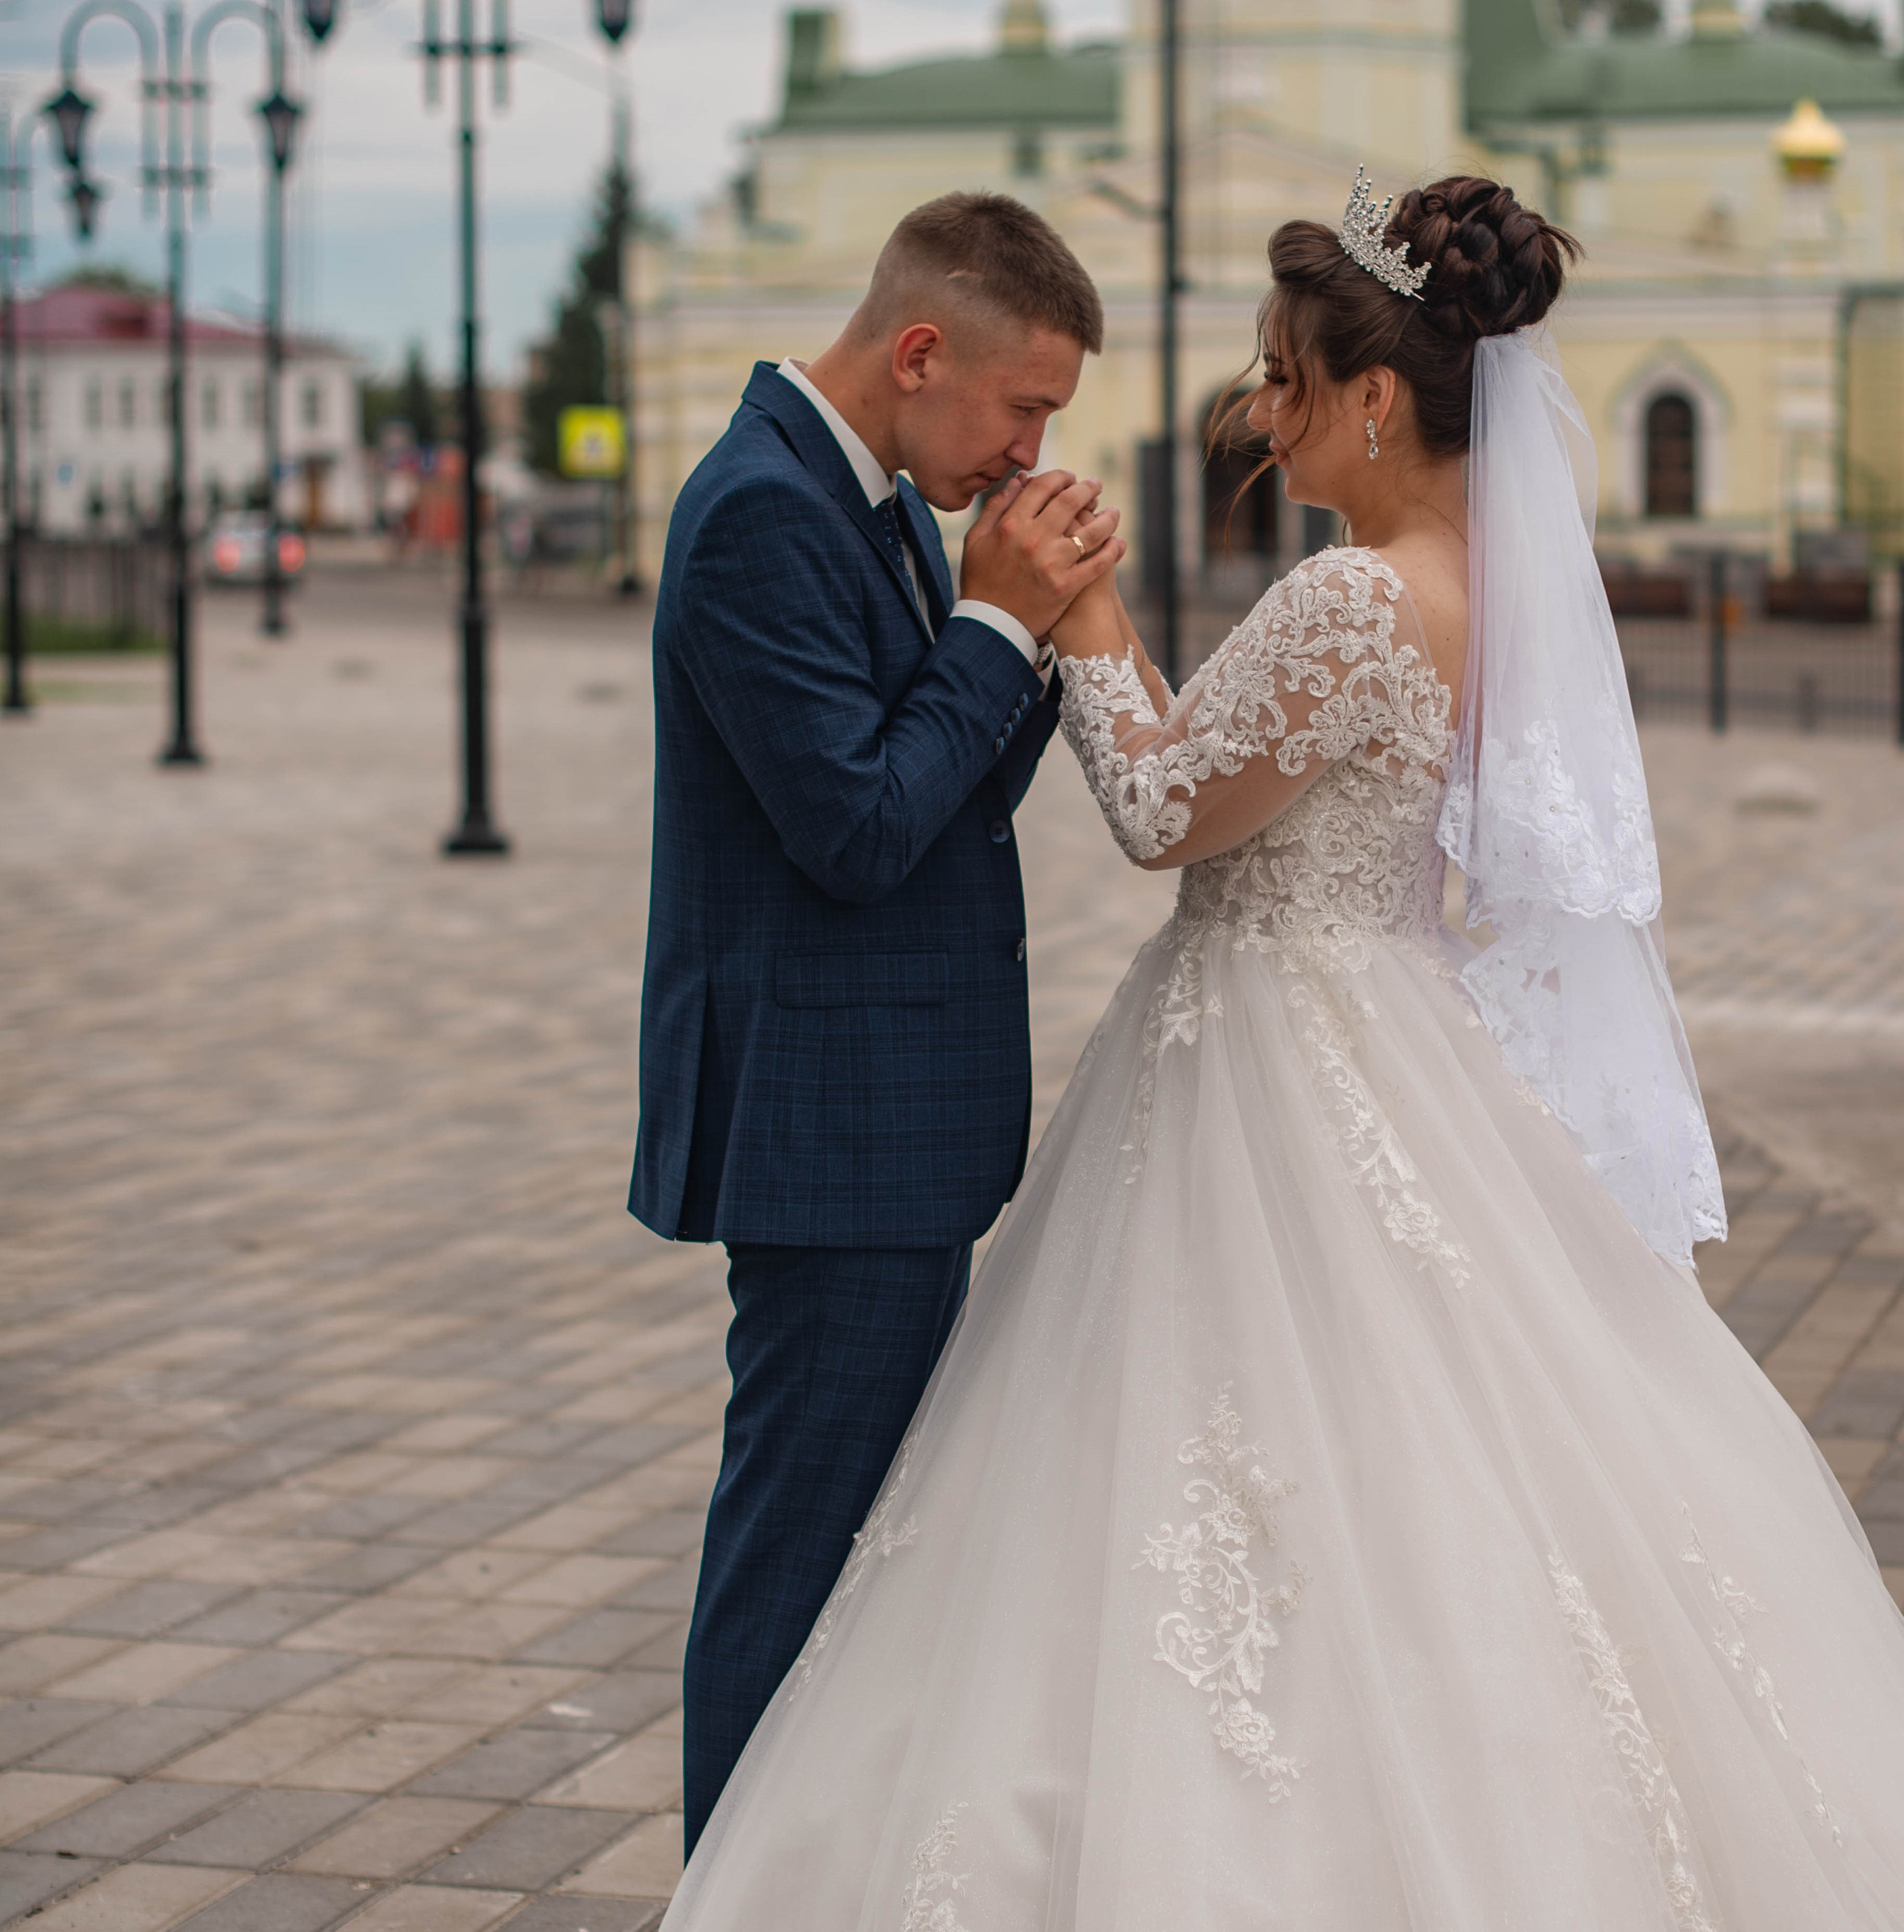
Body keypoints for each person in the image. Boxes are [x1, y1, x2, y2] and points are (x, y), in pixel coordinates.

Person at [660, 170, 1904, 1928]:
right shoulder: (1481, 585)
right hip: (1382, 1031)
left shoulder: (1352, 598)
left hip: (1261, 1056)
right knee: (1412, 1476)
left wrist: (1065, 621)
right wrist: (1031, 629)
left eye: (1279, 372)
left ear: (1373, 395)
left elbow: (1167, 806)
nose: (1257, 405)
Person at [629, 191, 1125, 1850]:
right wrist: (989, 619)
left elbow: (943, 803)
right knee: (793, 1554)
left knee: (860, 1555)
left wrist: (1034, 635)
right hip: (829, 1135)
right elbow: (850, 825)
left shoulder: (877, 498)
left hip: (887, 1131)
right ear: (920, 352)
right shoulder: (757, 514)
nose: (1030, 442)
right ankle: (730, 1886)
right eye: (1021, 404)